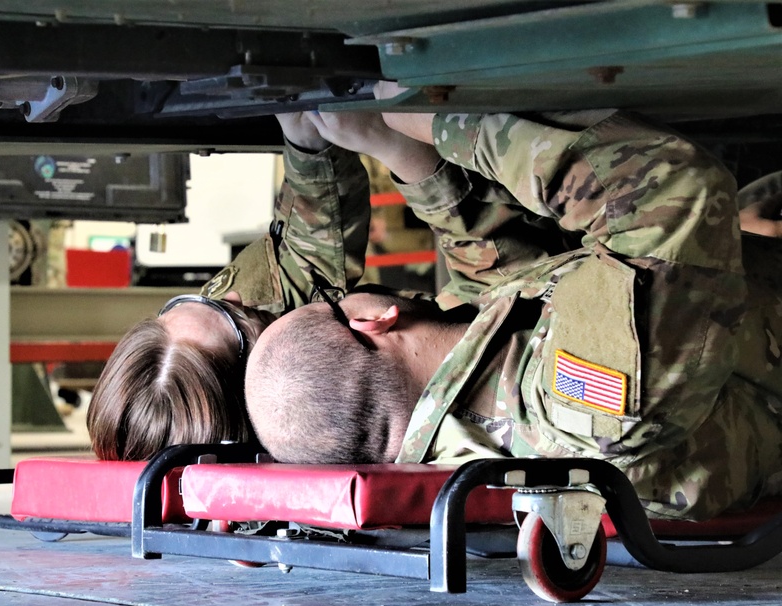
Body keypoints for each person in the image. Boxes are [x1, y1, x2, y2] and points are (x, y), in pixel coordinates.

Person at [245, 107, 782, 521]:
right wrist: (450, 125)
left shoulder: (463, 430)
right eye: (338, 304)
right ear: (371, 321)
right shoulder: (574, 410)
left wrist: (404, 155)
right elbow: (672, 193)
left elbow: (512, 278)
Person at [86, 111, 440, 461]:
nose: (233, 296)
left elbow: (305, 264)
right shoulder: (344, 412)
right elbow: (488, 289)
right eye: (240, 318)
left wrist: (309, 148)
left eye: (210, 303)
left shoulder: (201, 339)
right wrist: (411, 162)